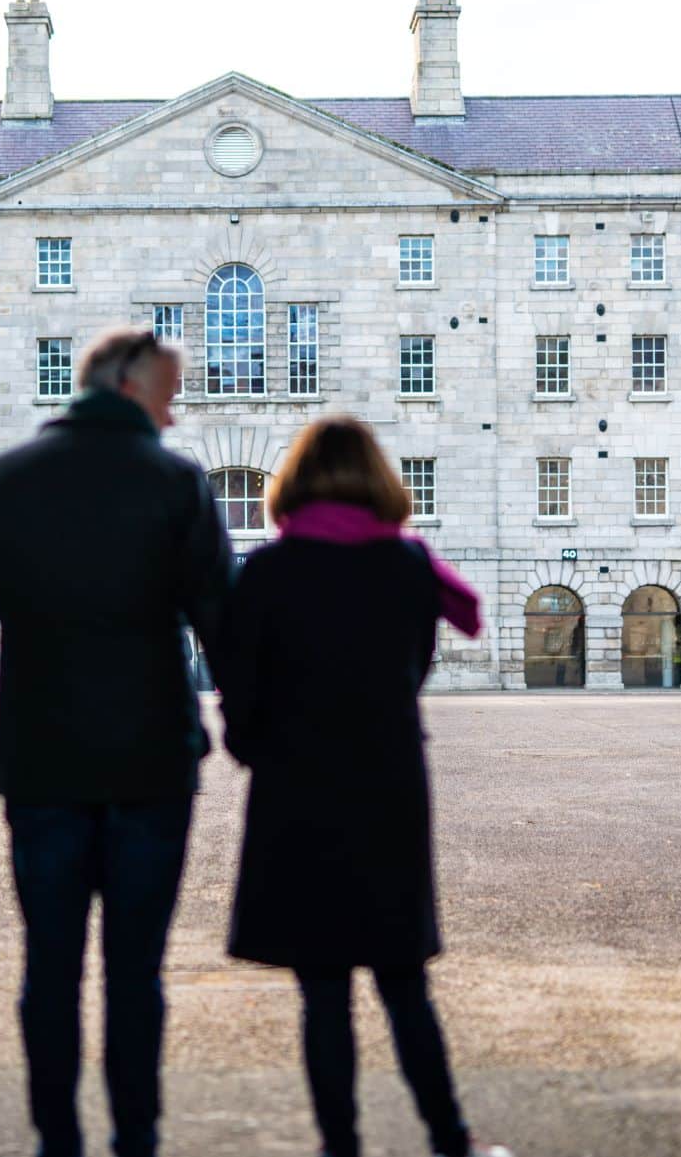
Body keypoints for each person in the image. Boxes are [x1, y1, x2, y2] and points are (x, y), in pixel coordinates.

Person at [0, 328, 233, 1157]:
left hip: (41, 763)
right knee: (137, 973)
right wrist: (251, 729)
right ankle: (135, 1139)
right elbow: (223, 623)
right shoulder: (178, 483)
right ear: (132, 386)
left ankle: (57, 1141)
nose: (173, 417)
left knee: (51, 970)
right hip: (152, 763)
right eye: (170, 397)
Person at [218, 415, 509, 1157]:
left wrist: (258, 747)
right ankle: (451, 1137)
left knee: (323, 993)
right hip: (386, 789)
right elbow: (420, 662)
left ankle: (339, 1145)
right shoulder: (409, 565)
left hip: (295, 792)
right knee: (403, 982)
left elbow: (238, 687)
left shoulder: (268, 569)